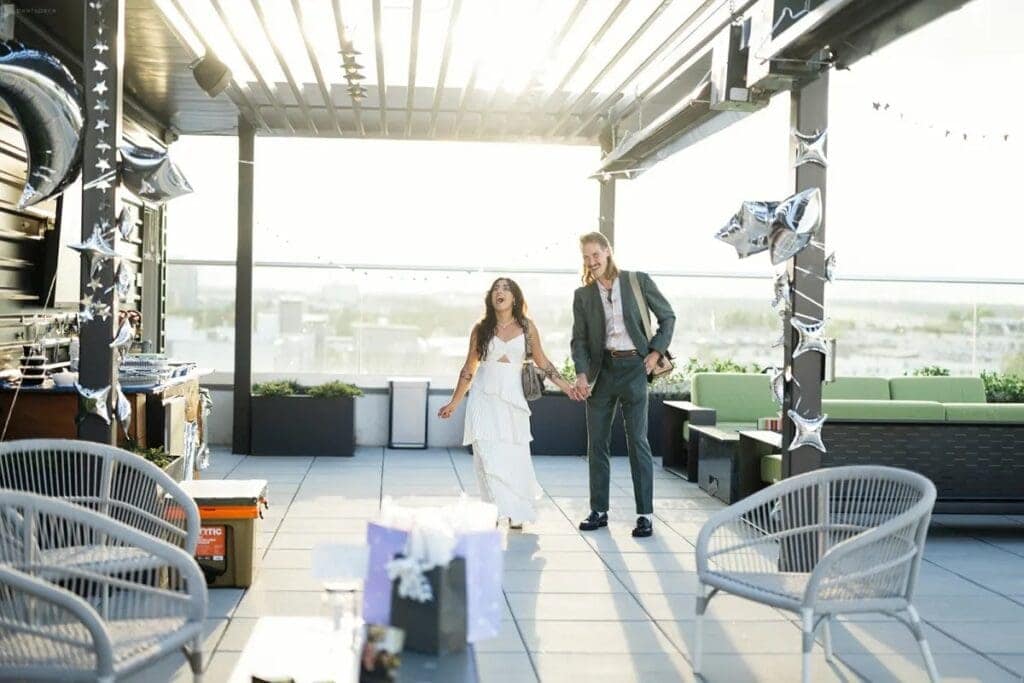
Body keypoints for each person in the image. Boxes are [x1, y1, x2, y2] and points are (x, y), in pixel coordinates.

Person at [438, 277, 574, 528]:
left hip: (512, 399)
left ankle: (515, 511)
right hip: (483, 396)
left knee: (514, 454)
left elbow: (543, 362)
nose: (499, 292)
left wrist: (567, 387)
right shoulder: (481, 329)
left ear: (515, 298)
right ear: (491, 297)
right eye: (496, 289)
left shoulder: (527, 327)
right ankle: (492, 510)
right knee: (486, 454)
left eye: (505, 288)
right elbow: (469, 368)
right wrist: (454, 403)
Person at [570, 232, 675, 538]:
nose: (591, 262)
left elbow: (668, 317)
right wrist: (581, 374)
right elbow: (579, 340)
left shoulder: (637, 281)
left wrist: (655, 352)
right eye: (586, 257)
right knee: (597, 443)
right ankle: (598, 510)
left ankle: (644, 515)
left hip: (635, 368)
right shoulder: (583, 295)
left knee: (638, 442)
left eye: (595, 255)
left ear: (608, 251)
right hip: (602, 370)